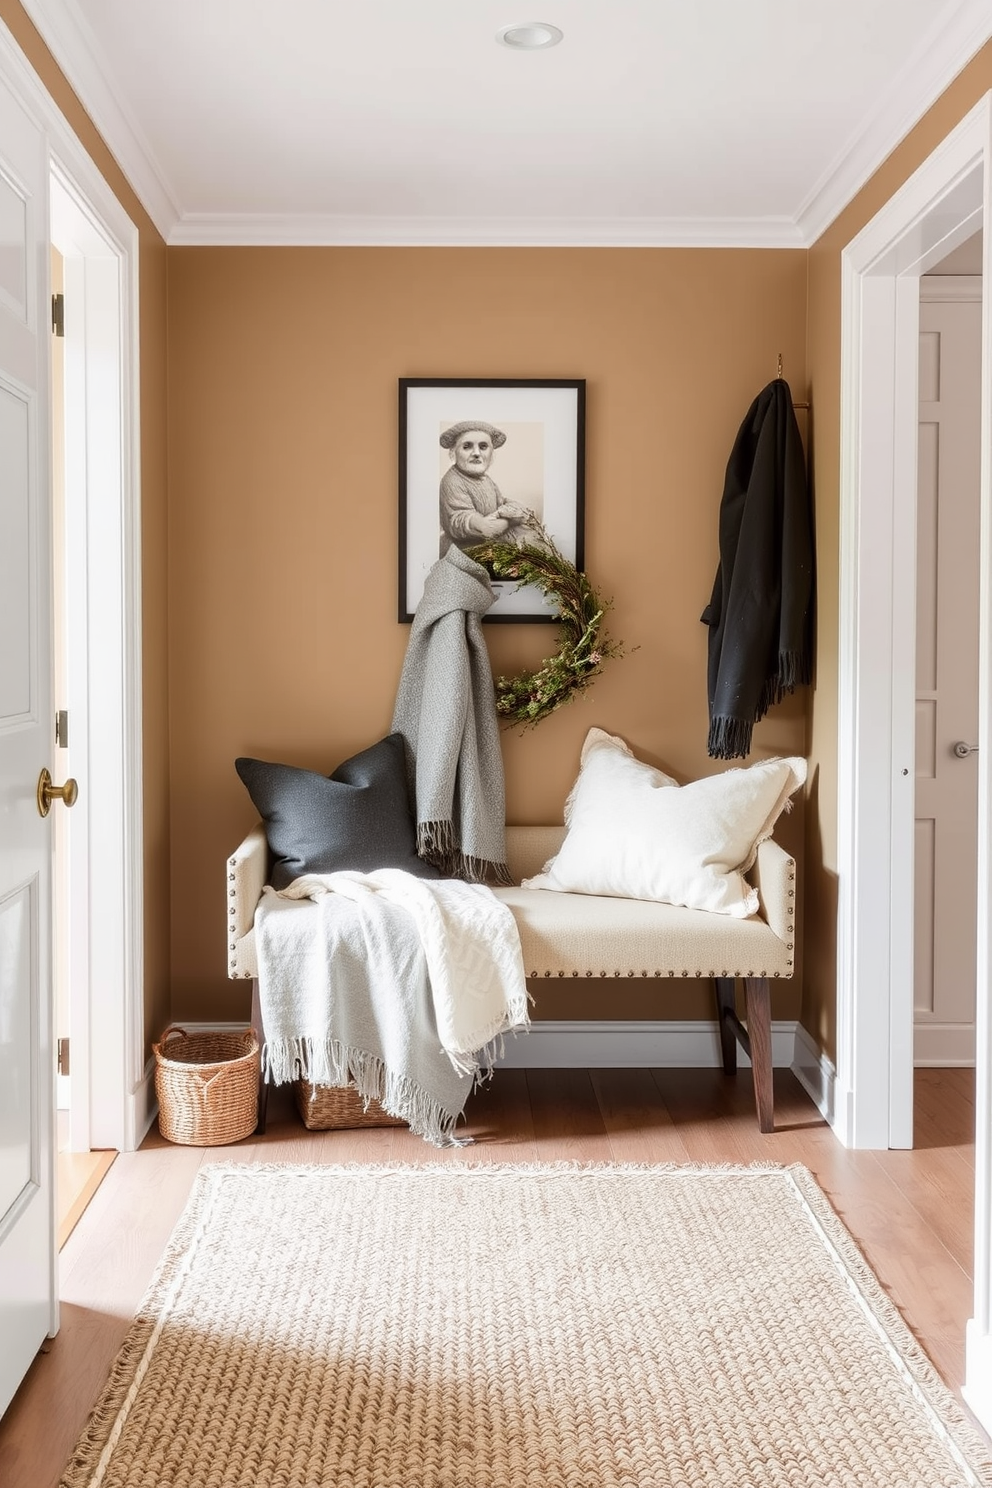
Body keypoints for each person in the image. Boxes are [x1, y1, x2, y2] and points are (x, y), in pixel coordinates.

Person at [438, 420, 537, 555]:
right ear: (453, 453)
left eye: (483, 447)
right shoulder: (452, 481)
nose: (476, 453)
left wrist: (514, 508)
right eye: (467, 447)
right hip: (464, 552)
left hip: (488, 546)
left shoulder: (486, 480)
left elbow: (500, 502)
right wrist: (486, 524)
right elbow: (460, 519)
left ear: (492, 455)